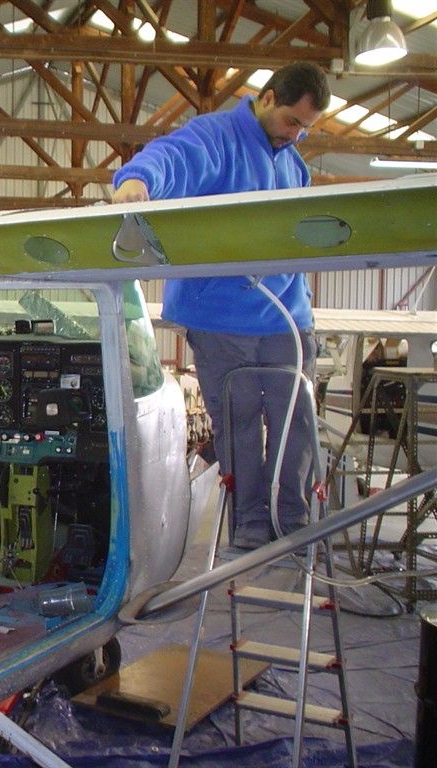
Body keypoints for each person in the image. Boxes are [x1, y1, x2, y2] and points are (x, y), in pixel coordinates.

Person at [111, 62, 331, 549]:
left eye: (306, 128)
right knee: (240, 427)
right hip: (221, 321)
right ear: (268, 98)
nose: (296, 135)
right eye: (293, 122)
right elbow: (174, 157)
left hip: (286, 320)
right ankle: (251, 522)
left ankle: (291, 519)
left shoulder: (294, 165)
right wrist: (138, 182)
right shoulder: (217, 138)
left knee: (298, 421)